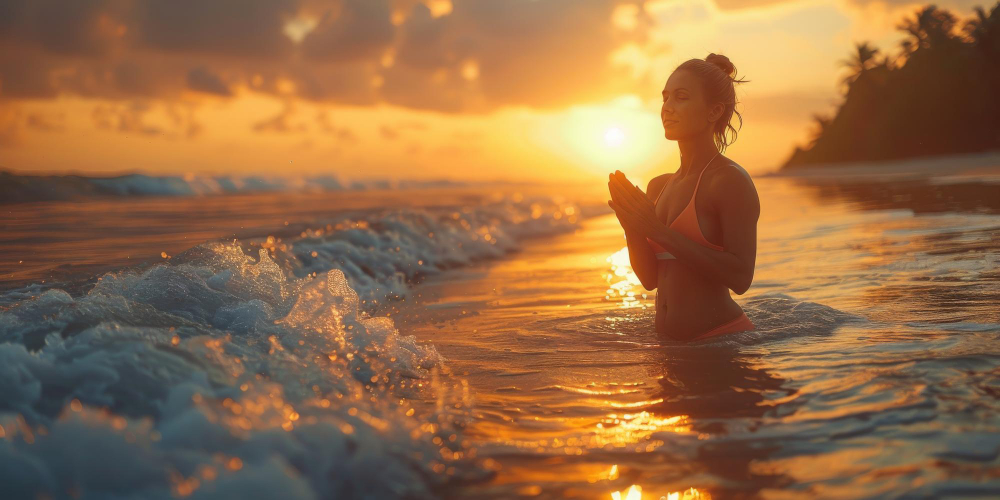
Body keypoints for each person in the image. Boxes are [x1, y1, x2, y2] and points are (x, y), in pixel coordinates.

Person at [607, 53, 760, 342]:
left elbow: (741, 278)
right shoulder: (659, 186)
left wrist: (657, 231)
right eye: (664, 98)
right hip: (672, 348)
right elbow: (651, 280)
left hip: (721, 342)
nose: (667, 108)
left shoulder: (728, 181)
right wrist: (632, 225)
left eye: (681, 97)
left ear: (713, 111)